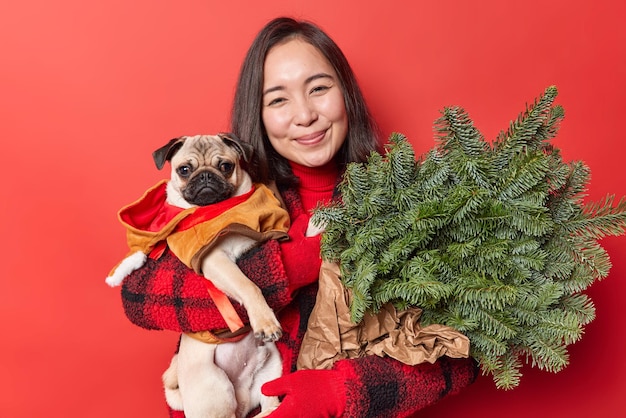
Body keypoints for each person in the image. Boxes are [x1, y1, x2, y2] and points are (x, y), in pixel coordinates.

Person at [120, 16, 478, 417]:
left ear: (347, 93)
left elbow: (472, 344)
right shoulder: (245, 202)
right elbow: (140, 296)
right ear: (257, 114)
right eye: (278, 99)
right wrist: (291, 265)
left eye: (319, 88)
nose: (304, 114)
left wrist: (339, 394)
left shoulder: (406, 201)